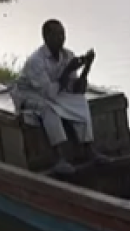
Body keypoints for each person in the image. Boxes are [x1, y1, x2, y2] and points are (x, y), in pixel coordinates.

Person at [11, 19, 103, 176]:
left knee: (81, 102)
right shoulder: (36, 61)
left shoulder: (67, 55)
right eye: (57, 35)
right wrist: (67, 71)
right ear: (46, 37)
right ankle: (59, 158)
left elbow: (76, 90)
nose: (62, 38)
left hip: (52, 92)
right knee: (48, 109)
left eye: (63, 35)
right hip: (28, 94)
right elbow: (48, 94)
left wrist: (86, 67)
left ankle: (89, 149)